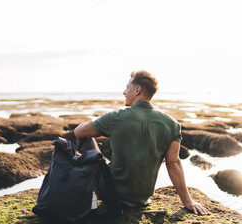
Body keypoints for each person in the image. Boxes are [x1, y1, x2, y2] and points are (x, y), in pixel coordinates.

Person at [74, 70, 210, 215]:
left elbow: (78, 132)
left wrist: (100, 124)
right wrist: (187, 201)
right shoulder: (172, 124)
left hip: (111, 194)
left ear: (137, 90)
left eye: (127, 87)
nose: (124, 92)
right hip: (142, 198)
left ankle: (76, 193)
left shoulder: (115, 118)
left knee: (87, 138)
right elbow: (173, 163)